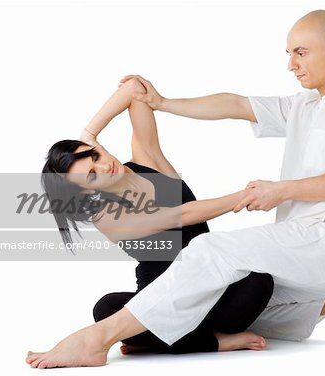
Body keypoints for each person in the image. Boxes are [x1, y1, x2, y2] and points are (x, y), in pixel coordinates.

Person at [26, 9, 325, 368]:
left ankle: (97, 339)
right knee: (238, 291)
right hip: (299, 243)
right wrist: (166, 104)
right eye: (290, 54)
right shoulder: (305, 105)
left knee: (224, 263)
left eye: (300, 53)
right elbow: (234, 104)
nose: (291, 64)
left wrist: (91, 132)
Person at [40, 76, 276, 354]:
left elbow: (134, 90)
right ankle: (215, 342)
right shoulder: (105, 216)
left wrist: (88, 133)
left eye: (95, 156)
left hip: (209, 285)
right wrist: (244, 196)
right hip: (160, 299)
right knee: (106, 308)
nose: (104, 166)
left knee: (259, 282)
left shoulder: (146, 158)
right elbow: (182, 215)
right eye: (92, 176)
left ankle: (152, 341)